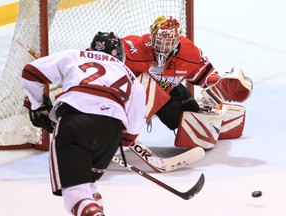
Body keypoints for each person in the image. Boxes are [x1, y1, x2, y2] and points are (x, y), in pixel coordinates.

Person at [21, 32, 146, 216]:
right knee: (89, 187)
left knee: (75, 194)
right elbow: (133, 129)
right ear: (119, 54)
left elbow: (30, 72)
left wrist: (38, 106)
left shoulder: (75, 55)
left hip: (74, 120)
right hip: (111, 129)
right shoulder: (132, 78)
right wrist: (112, 148)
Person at [121, 16, 252, 148]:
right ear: (152, 36)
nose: (163, 47)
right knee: (145, 82)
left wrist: (223, 85)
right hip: (131, 99)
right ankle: (120, 133)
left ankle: (219, 120)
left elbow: (204, 75)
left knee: (192, 124)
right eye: (159, 41)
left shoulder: (189, 54)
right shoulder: (133, 48)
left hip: (166, 93)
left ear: (177, 39)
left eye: (169, 42)